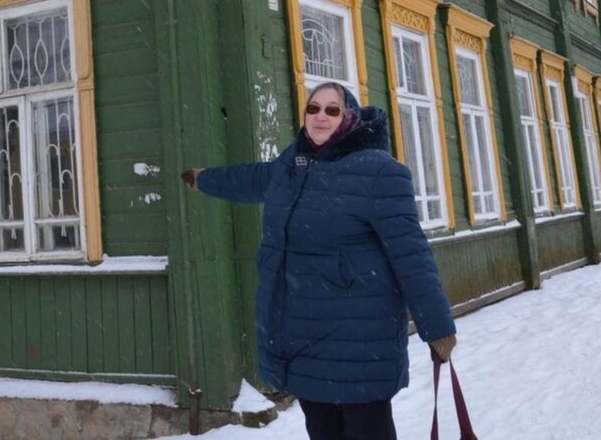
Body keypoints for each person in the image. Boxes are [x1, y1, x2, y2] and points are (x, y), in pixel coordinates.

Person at [181, 82, 457, 440]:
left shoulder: (378, 172)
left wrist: (437, 326)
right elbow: (252, 178)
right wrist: (205, 179)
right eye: (313, 108)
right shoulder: (293, 164)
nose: (321, 117)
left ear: (350, 117)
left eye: (332, 109)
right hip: (303, 337)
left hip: (360, 341)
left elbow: (412, 254)